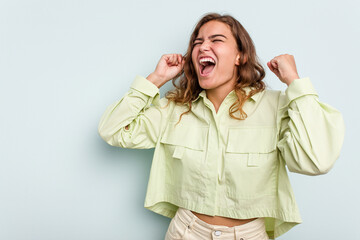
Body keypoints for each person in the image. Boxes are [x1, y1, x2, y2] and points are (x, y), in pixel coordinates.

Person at [98, 13, 345, 240]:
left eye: (216, 40)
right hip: (185, 232)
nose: (203, 46)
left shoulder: (276, 106)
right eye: (197, 42)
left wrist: (295, 82)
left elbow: (316, 160)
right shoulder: (174, 108)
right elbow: (114, 130)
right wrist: (156, 79)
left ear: (240, 56)